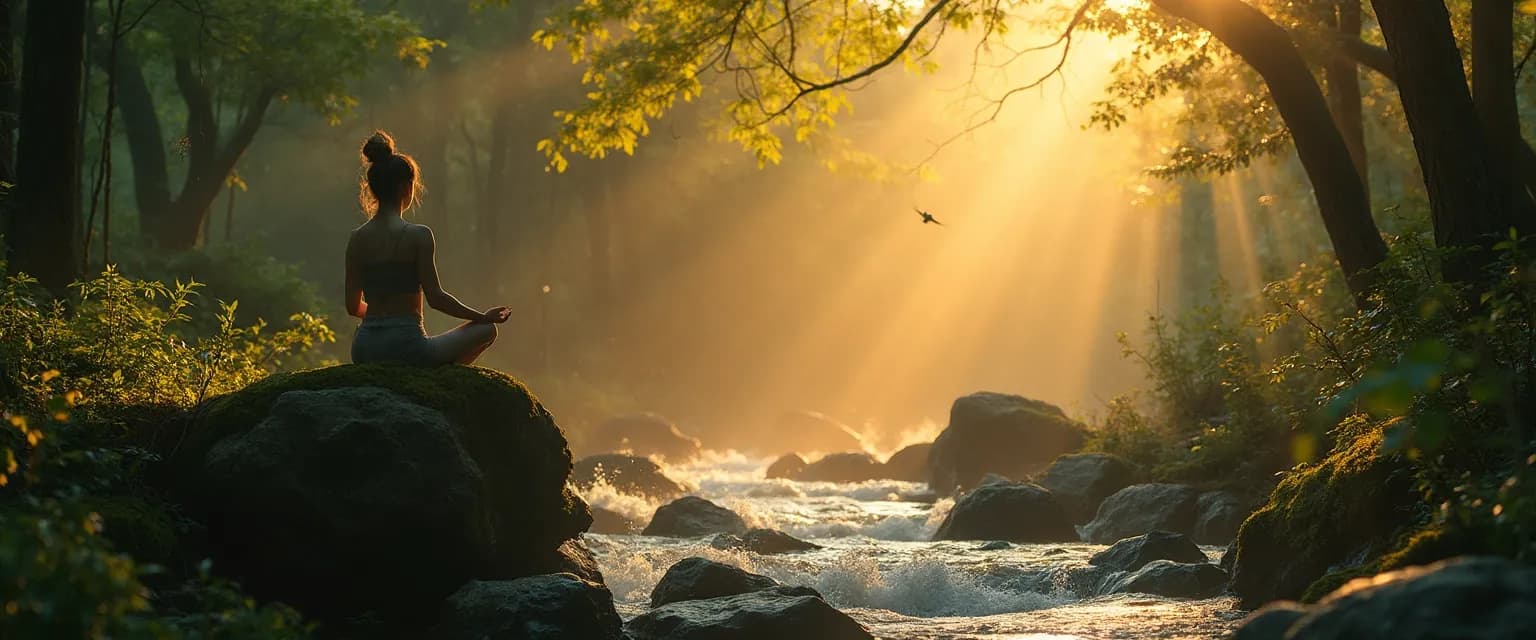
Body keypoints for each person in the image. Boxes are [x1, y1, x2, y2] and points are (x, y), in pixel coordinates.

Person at [345, 130, 510, 365]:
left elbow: (352, 307)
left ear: (373, 188)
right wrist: (482, 316)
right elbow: (436, 299)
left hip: (364, 349)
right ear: (406, 187)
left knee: (372, 338)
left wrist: (378, 321)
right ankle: (443, 382)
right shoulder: (418, 236)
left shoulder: (357, 239)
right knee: (487, 331)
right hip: (407, 348)